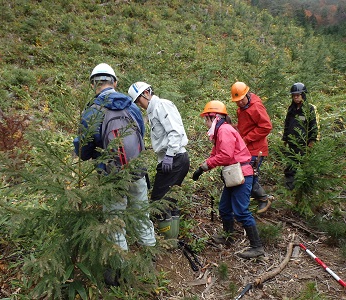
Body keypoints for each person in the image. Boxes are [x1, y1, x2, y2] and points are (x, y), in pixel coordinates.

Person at [77, 63, 156, 253]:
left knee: (115, 219)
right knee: (142, 213)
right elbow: (141, 134)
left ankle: (119, 264)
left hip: (111, 175)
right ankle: (150, 252)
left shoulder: (92, 112)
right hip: (137, 170)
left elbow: (84, 149)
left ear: (93, 85)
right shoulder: (132, 107)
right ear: (115, 82)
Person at [192, 100, 264, 259]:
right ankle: (228, 237)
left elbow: (225, 156)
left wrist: (205, 167)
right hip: (233, 174)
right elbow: (216, 153)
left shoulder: (224, 130)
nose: (205, 122)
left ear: (214, 117)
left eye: (206, 118)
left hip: (241, 174)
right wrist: (204, 166)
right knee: (224, 207)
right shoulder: (220, 131)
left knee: (241, 211)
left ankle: (257, 247)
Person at [128, 82, 190, 240]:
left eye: (139, 100)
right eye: (136, 102)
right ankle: (172, 240)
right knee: (169, 200)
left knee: (158, 201)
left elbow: (175, 131)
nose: (139, 104)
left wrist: (169, 155)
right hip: (171, 158)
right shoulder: (152, 111)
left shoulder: (161, 105)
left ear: (147, 93)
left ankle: (168, 241)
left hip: (174, 158)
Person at [230, 82, 273, 214]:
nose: (240, 103)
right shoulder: (241, 109)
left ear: (247, 95)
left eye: (241, 99)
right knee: (249, 174)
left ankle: (263, 199)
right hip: (247, 149)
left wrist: (246, 139)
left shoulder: (256, 107)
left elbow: (266, 126)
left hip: (256, 149)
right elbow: (245, 127)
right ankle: (253, 197)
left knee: (249, 175)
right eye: (237, 101)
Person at [283, 82, 319, 190]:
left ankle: (307, 188)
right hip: (292, 143)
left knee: (306, 165)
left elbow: (314, 125)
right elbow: (287, 124)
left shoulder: (310, 108)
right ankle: (290, 187)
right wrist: (285, 138)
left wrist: (312, 141)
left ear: (303, 95)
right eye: (294, 95)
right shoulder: (291, 109)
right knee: (291, 165)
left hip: (305, 143)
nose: (295, 97)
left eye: (298, 95)